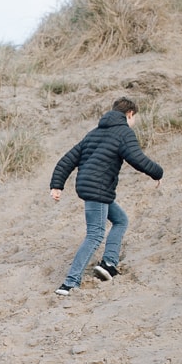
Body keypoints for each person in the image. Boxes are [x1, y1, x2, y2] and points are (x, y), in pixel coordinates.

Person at [48, 97, 164, 295]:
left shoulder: (95, 132)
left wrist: (57, 185)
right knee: (95, 234)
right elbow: (137, 158)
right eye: (134, 117)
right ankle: (69, 283)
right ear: (130, 114)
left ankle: (109, 264)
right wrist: (157, 173)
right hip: (98, 188)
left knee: (120, 220)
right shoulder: (124, 132)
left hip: (90, 186)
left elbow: (68, 159)